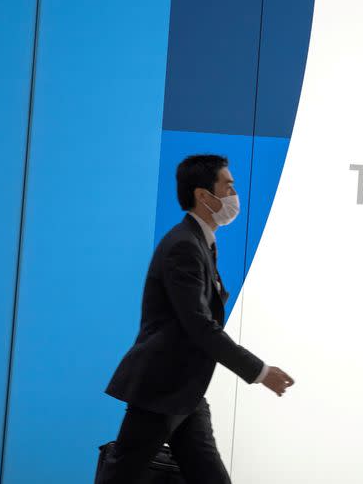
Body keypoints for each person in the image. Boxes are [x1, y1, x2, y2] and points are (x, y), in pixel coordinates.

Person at [102, 154, 294, 483]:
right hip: (161, 387)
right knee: (123, 475)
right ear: (203, 196)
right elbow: (200, 327)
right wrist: (261, 372)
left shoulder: (200, 244)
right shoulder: (184, 247)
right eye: (228, 186)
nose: (235, 195)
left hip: (184, 390)